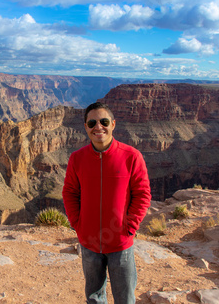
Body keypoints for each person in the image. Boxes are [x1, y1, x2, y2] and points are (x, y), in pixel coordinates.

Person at [62, 102, 152, 304]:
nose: (98, 127)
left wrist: (130, 226)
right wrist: (78, 224)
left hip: (120, 242)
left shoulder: (131, 156)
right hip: (90, 242)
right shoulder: (77, 158)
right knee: (94, 298)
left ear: (113, 124)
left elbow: (143, 194)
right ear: (85, 126)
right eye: (92, 122)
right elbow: (69, 192)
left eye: (103, 122)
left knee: (125, 298)